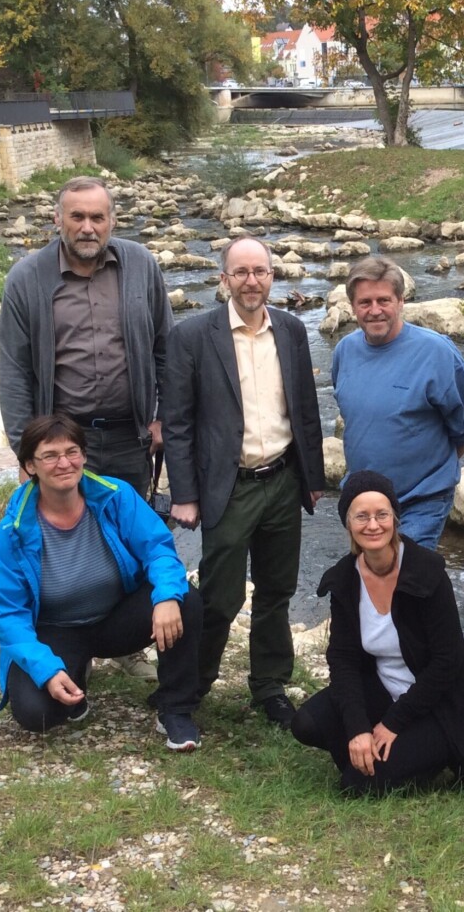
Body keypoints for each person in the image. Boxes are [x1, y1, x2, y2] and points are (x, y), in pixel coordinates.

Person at [0, 175, 172, 681]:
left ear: (112, 220)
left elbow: (166, 348)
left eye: (98, 217)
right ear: (58, 220)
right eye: (77, 216)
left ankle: (128, 641)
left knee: (131, 540)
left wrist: (165, 418)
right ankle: (62, 638)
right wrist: (27, 450)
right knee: (60, 542)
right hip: (63, 445)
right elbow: (13, 370)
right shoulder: (26, 279)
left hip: (130, 434)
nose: (88, 227)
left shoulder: (140, 265)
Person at [162, 237, 324, 729]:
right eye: (241, 272)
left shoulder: (292, 330)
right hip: (228, 486)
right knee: (219, 594)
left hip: (282, 479)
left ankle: (270, 686)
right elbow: (178, 422)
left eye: (260, 271)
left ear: (273, 276)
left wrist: (312, 477)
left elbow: (306, 408)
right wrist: (185, 494)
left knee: (277, 589)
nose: (251, 281)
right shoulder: (193, 336)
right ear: (224, 278)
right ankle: (193, 684)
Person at [0, 414, 204, 750]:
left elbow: (159, 550)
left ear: (84, 456)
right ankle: (75, 684)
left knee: (183, 599)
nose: (64, 463)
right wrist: (46, 670)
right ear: (30, 465)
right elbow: (7, 613)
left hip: (116, 619)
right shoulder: (14, 530)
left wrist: (164, 597)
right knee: (36, 715)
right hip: (57, 629)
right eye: (50, 455)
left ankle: (175, 709)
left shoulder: (116, 497)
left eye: (72, 452)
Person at [291, 470, 464, 792]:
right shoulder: (344, 580)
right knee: (306, 724)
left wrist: (393, 723)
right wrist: (357, 729)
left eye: (382, 514)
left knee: (357, 785)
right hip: (383, 690)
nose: (373, 525)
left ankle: (427, 756)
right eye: (362, 516)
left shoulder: (427, 572)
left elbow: (447, 661)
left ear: (395, 519)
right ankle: (386, 757)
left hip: (439, 704)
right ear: (348, 524)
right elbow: (344, 660)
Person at [331, 256, 464, 549]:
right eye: (365, 302)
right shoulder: (344, 352)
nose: (375, 310)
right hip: (365, 503)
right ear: (352, 306)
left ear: (401, 301)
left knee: (404, 584)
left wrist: (434, 473)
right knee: (369, 584)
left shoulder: (436, 353)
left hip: (421, 500)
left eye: (383, 300)